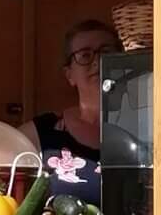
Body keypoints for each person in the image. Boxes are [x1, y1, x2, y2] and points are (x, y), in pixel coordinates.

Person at [29, 15, 119, 196]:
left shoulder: (143, 126)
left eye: (106, 52)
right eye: (85, 55)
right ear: (69, 74)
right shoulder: (44, 132)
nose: (97, 61)